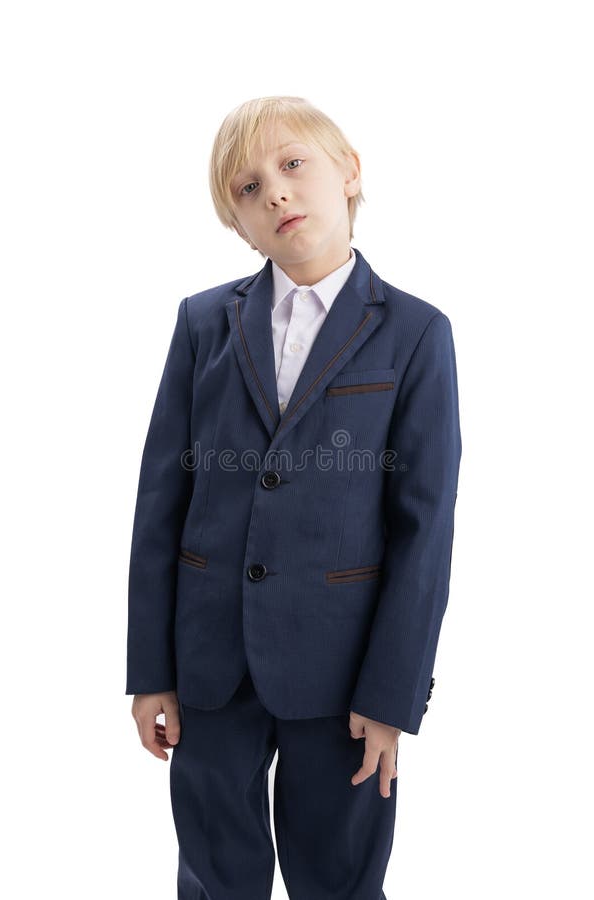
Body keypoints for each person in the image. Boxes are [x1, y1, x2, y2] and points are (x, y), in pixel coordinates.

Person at [126, 94, 462, 900]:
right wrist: (150, 669)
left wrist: (392, 694)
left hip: (344, 676)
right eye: (248, 188)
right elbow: (160, 501)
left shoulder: (416, 332)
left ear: (349, 173)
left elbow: (424, 529)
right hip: (210, 665)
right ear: (238, 225)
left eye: (293, 164)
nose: (274, 191)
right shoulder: (203, 323)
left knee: (340, 877)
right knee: (215, 874)